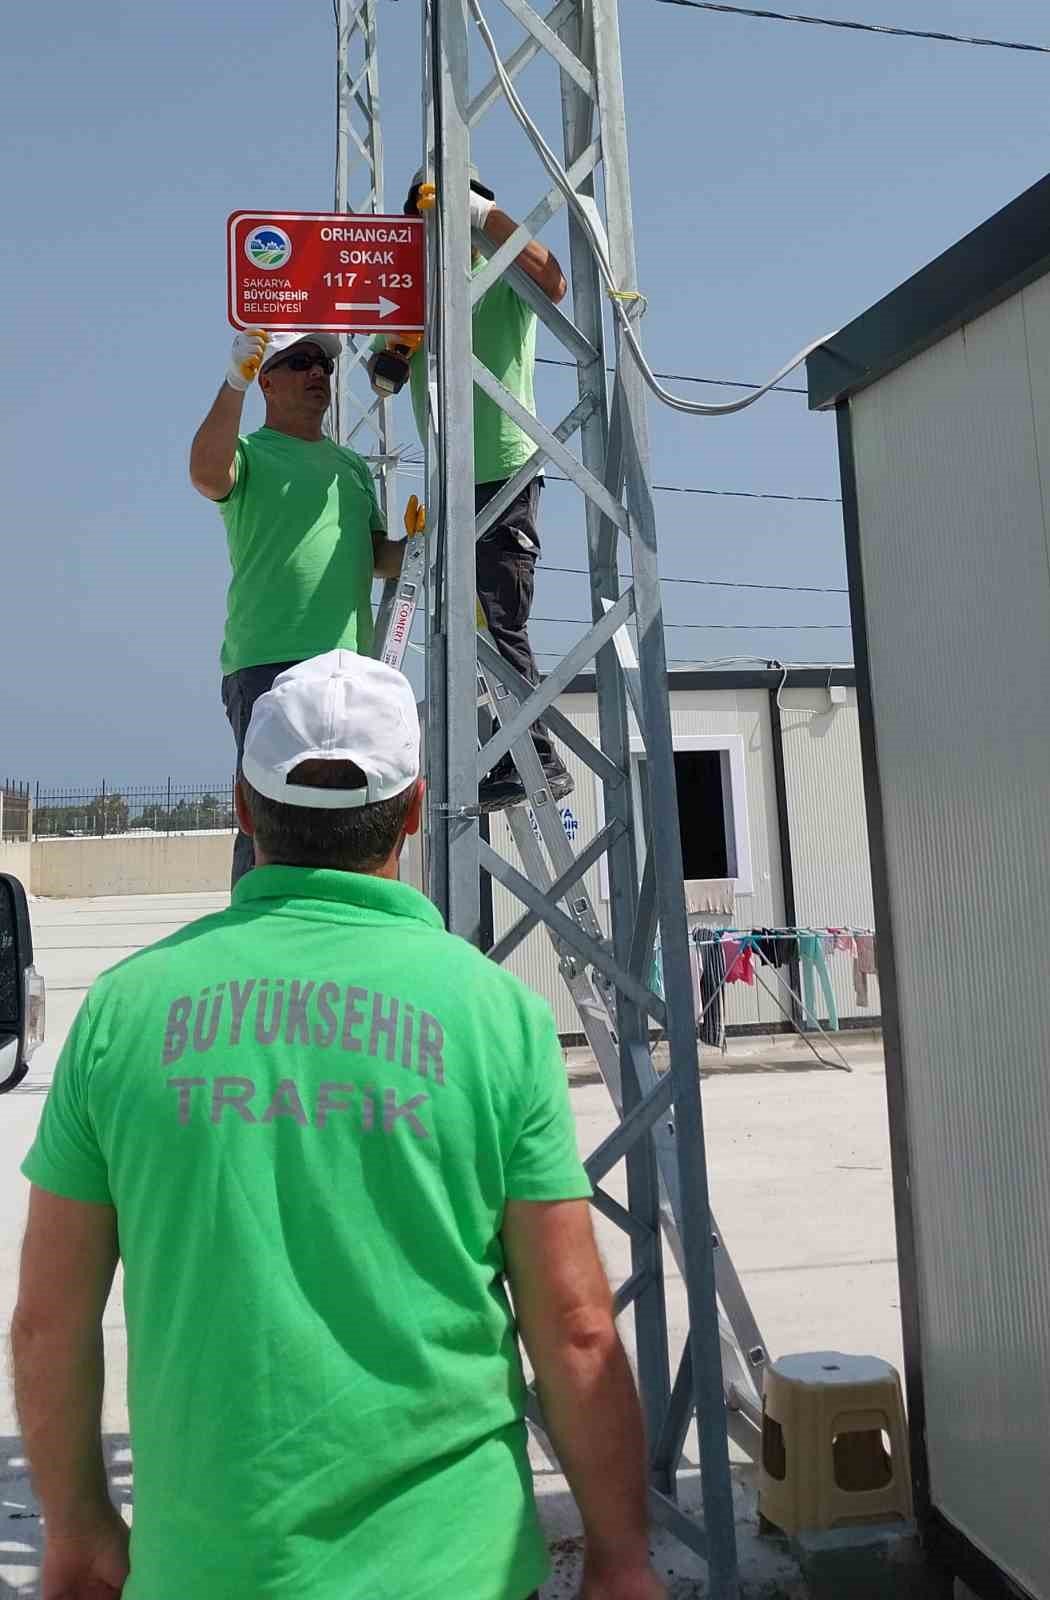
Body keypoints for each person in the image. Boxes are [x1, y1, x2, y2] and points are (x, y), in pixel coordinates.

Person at [12, 650, 666, 1600]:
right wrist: (620, 1557)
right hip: (458, 1569)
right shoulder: (492, 1015)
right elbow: (573, 1329)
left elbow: (47, 1324)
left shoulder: (125, 1011)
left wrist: (77, 1533)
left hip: (210, 1573)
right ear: (413, 810)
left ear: (243, 805)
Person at [369, 167, 574, 814]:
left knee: (498, 612)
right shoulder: (417, 291)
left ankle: (536, 757)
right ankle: (505, 753)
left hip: (505, 468)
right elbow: (384, 375)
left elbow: (555, 279)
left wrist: (484, 216)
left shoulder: (503, 269)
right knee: (469, 628)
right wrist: (400, 342)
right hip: (451, 479)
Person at [190, 328, 410, 886]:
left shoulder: (352, 467)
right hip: (267, 663)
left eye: (324, 366)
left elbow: (378, 559)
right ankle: (255, 939)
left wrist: (421, 542)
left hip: (347, 667)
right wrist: (231, 383)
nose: (319, 373)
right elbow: (206, 473)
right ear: (267, 379)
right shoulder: (249, 455)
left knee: (351, 817)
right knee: (268, 820)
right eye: (300, 362)